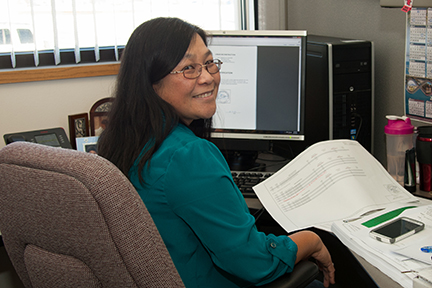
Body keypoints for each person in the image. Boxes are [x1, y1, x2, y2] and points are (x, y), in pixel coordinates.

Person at [97, 17, 335, 288]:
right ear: (152, 82)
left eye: (209, 63)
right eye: (189, 68)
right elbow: (254, 263)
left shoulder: (119, 140)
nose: (208, 77)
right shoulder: (188, 156)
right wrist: (311, 240)